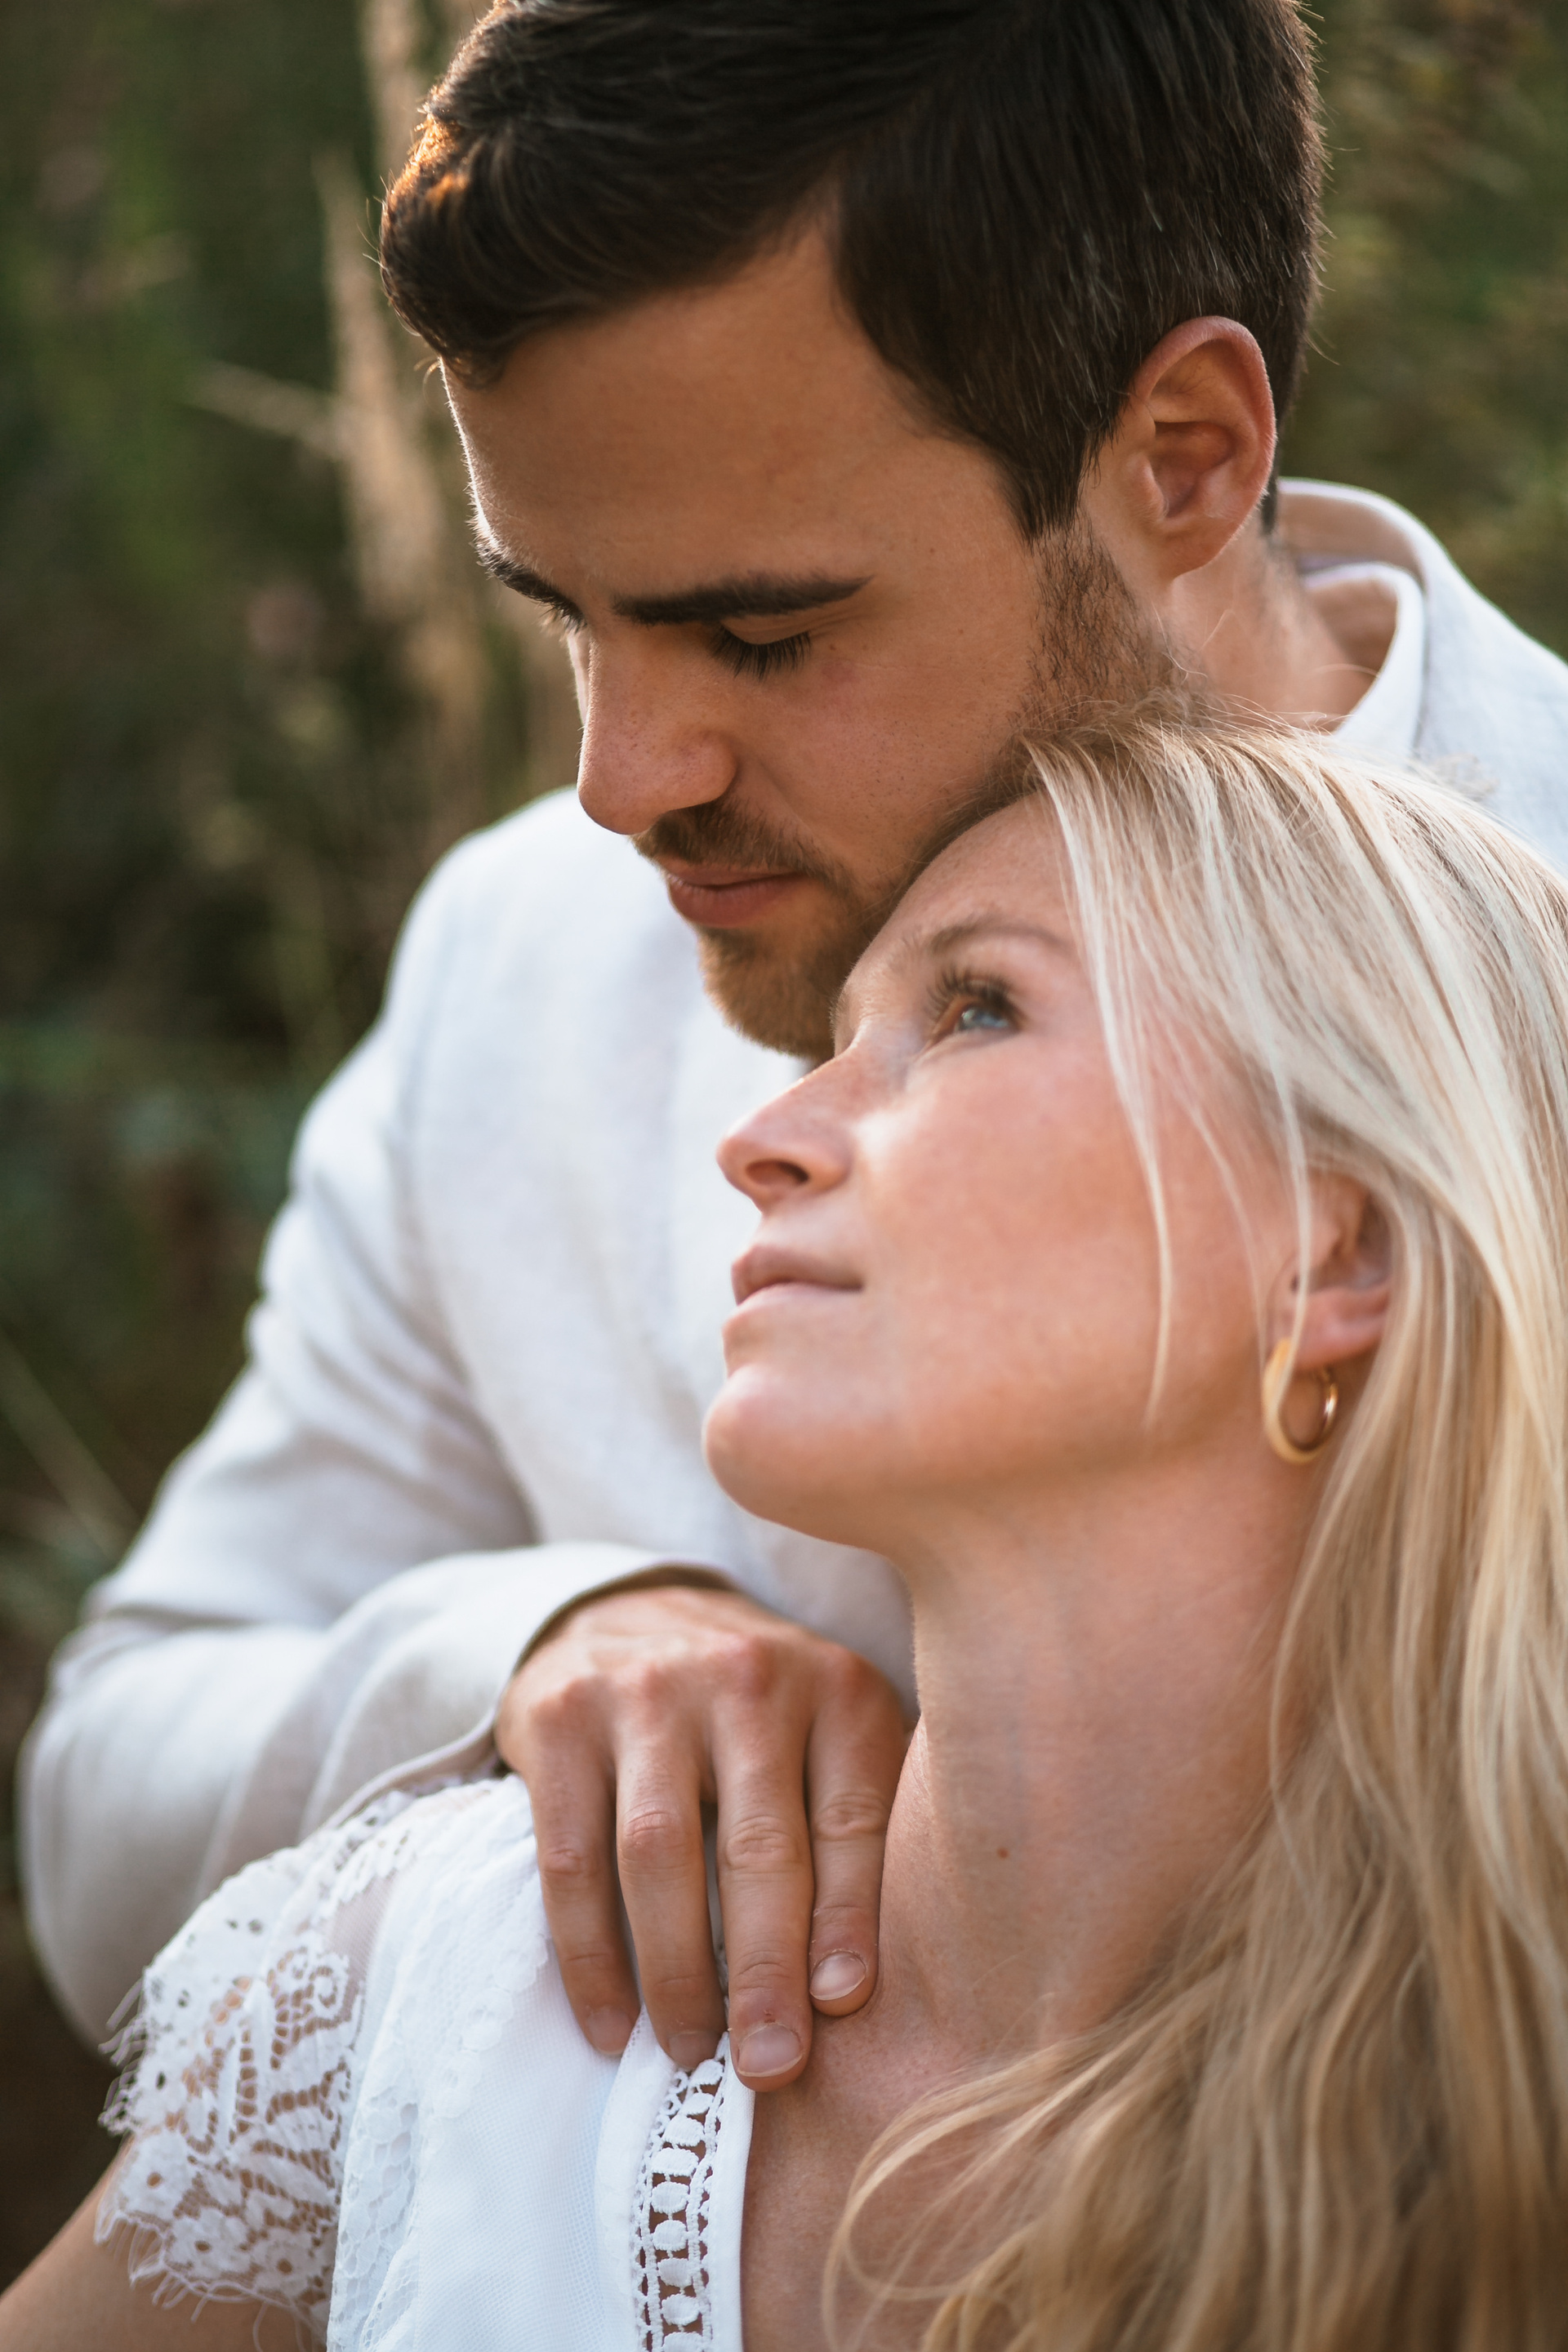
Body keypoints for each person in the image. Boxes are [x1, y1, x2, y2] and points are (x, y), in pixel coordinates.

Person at [21, 0, 1568, 2091]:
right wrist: (535, 1653)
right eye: (564, 613)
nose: (621, 781)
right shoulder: (526, 966)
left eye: (761, 633)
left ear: (1184, 456)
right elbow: (103, 1810)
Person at [11, 719, 1568, 2350]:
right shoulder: (453, 1994)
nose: (759, 1141)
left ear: (1335, 1254)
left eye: (976, 1010)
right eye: (836, 1034)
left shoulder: (1508, 2144)